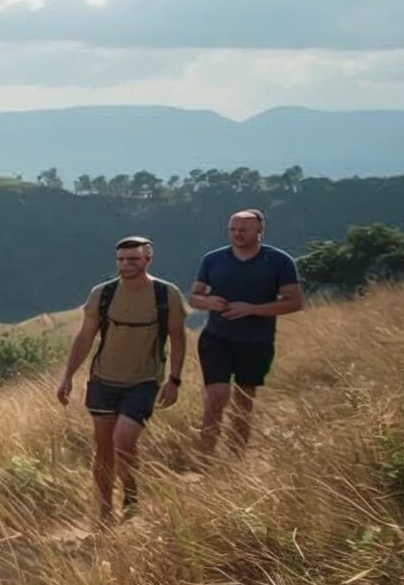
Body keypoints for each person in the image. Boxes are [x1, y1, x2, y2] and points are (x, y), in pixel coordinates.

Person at [56, 236, 189, 521]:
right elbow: (85, 336)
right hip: (103, 380)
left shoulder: (167, 295)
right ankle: (104, 513)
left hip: (143, 382)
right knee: (102, 449)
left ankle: (130, 494)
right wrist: (68, 376)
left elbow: (178, 339)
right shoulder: (102, 294)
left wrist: (175, 380)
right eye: (121, 260)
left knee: (123, 442)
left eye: (133, 260)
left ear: (148, 260)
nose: (126, 265)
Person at [190, 209, 304, 456]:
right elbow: (195, 297)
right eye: (233, 229)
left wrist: (253, 309)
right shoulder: (213, 259)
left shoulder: (280, 261)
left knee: (244, 401)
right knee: (216, 397)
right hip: (216, 337)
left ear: (260, 231)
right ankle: (204, 459)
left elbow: (294, 302)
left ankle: (235, 458)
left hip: (256, 340)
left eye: (244, 230)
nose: (237, 234)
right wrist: (208, 302)